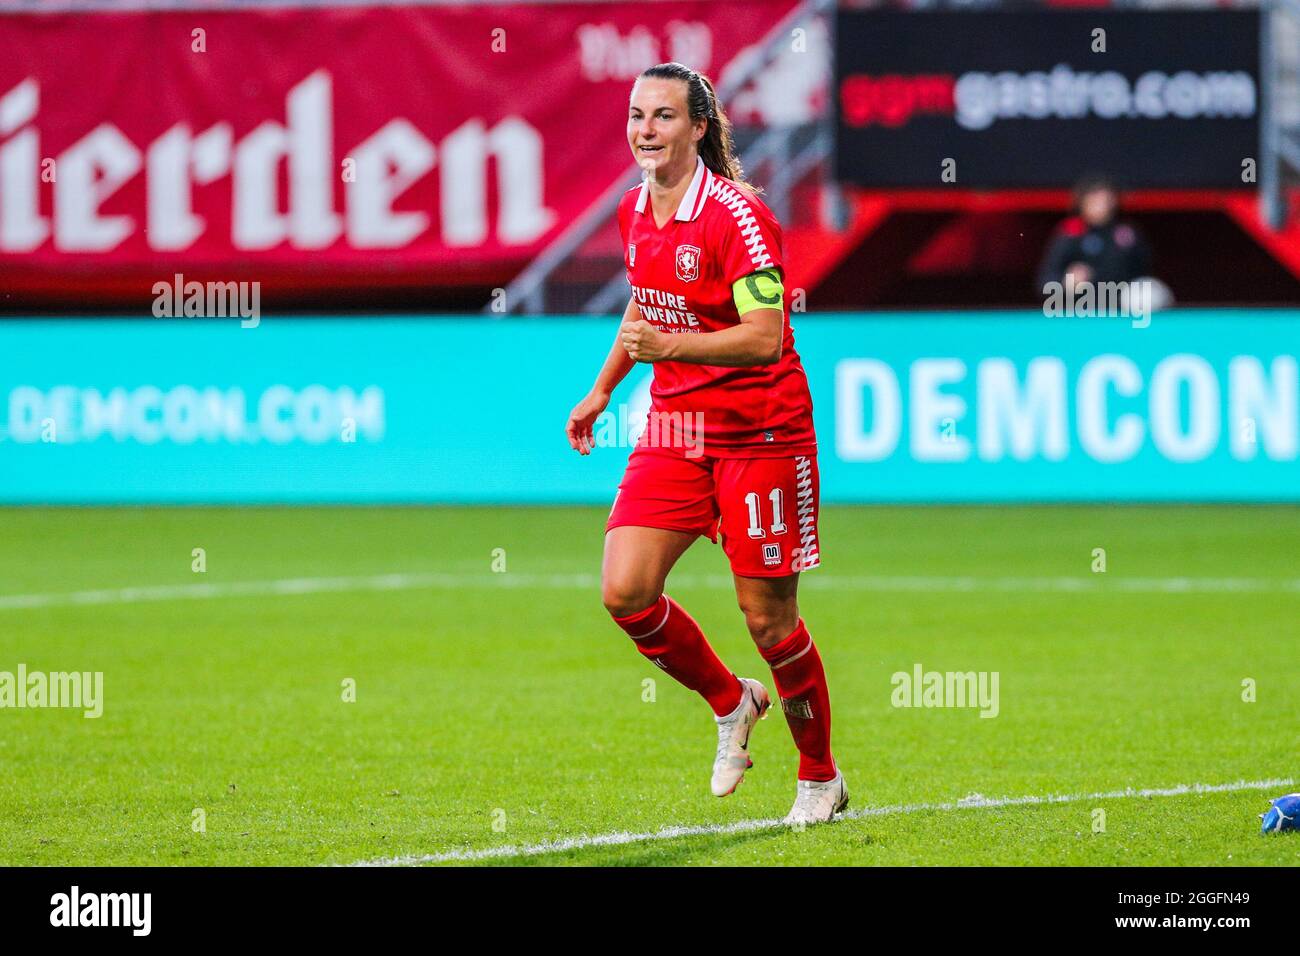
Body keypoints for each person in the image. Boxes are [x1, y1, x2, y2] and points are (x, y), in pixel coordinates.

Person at [564, 62, 846, 825]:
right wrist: (604, 389)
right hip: (676, 428)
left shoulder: (740, 218)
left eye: (662, 116)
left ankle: (819, 776)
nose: (644, 130)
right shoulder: (633, 211)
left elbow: (764, 338)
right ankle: (733, 702)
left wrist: (669, 345)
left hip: (760, 432)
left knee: (768, 622)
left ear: (698, 128)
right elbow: (644, 308)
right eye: (635, 115)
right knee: (625, 590)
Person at [1037, 175, 1154, 292]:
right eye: (1095, 199)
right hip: (1080, 305)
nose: (1101, 205)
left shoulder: (1128, 234)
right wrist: (1065, 282)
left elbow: (1145, 275)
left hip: (1121, 304)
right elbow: (1045, 282)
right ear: (1082, 202)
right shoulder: (1070, 233)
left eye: (1106, 199)